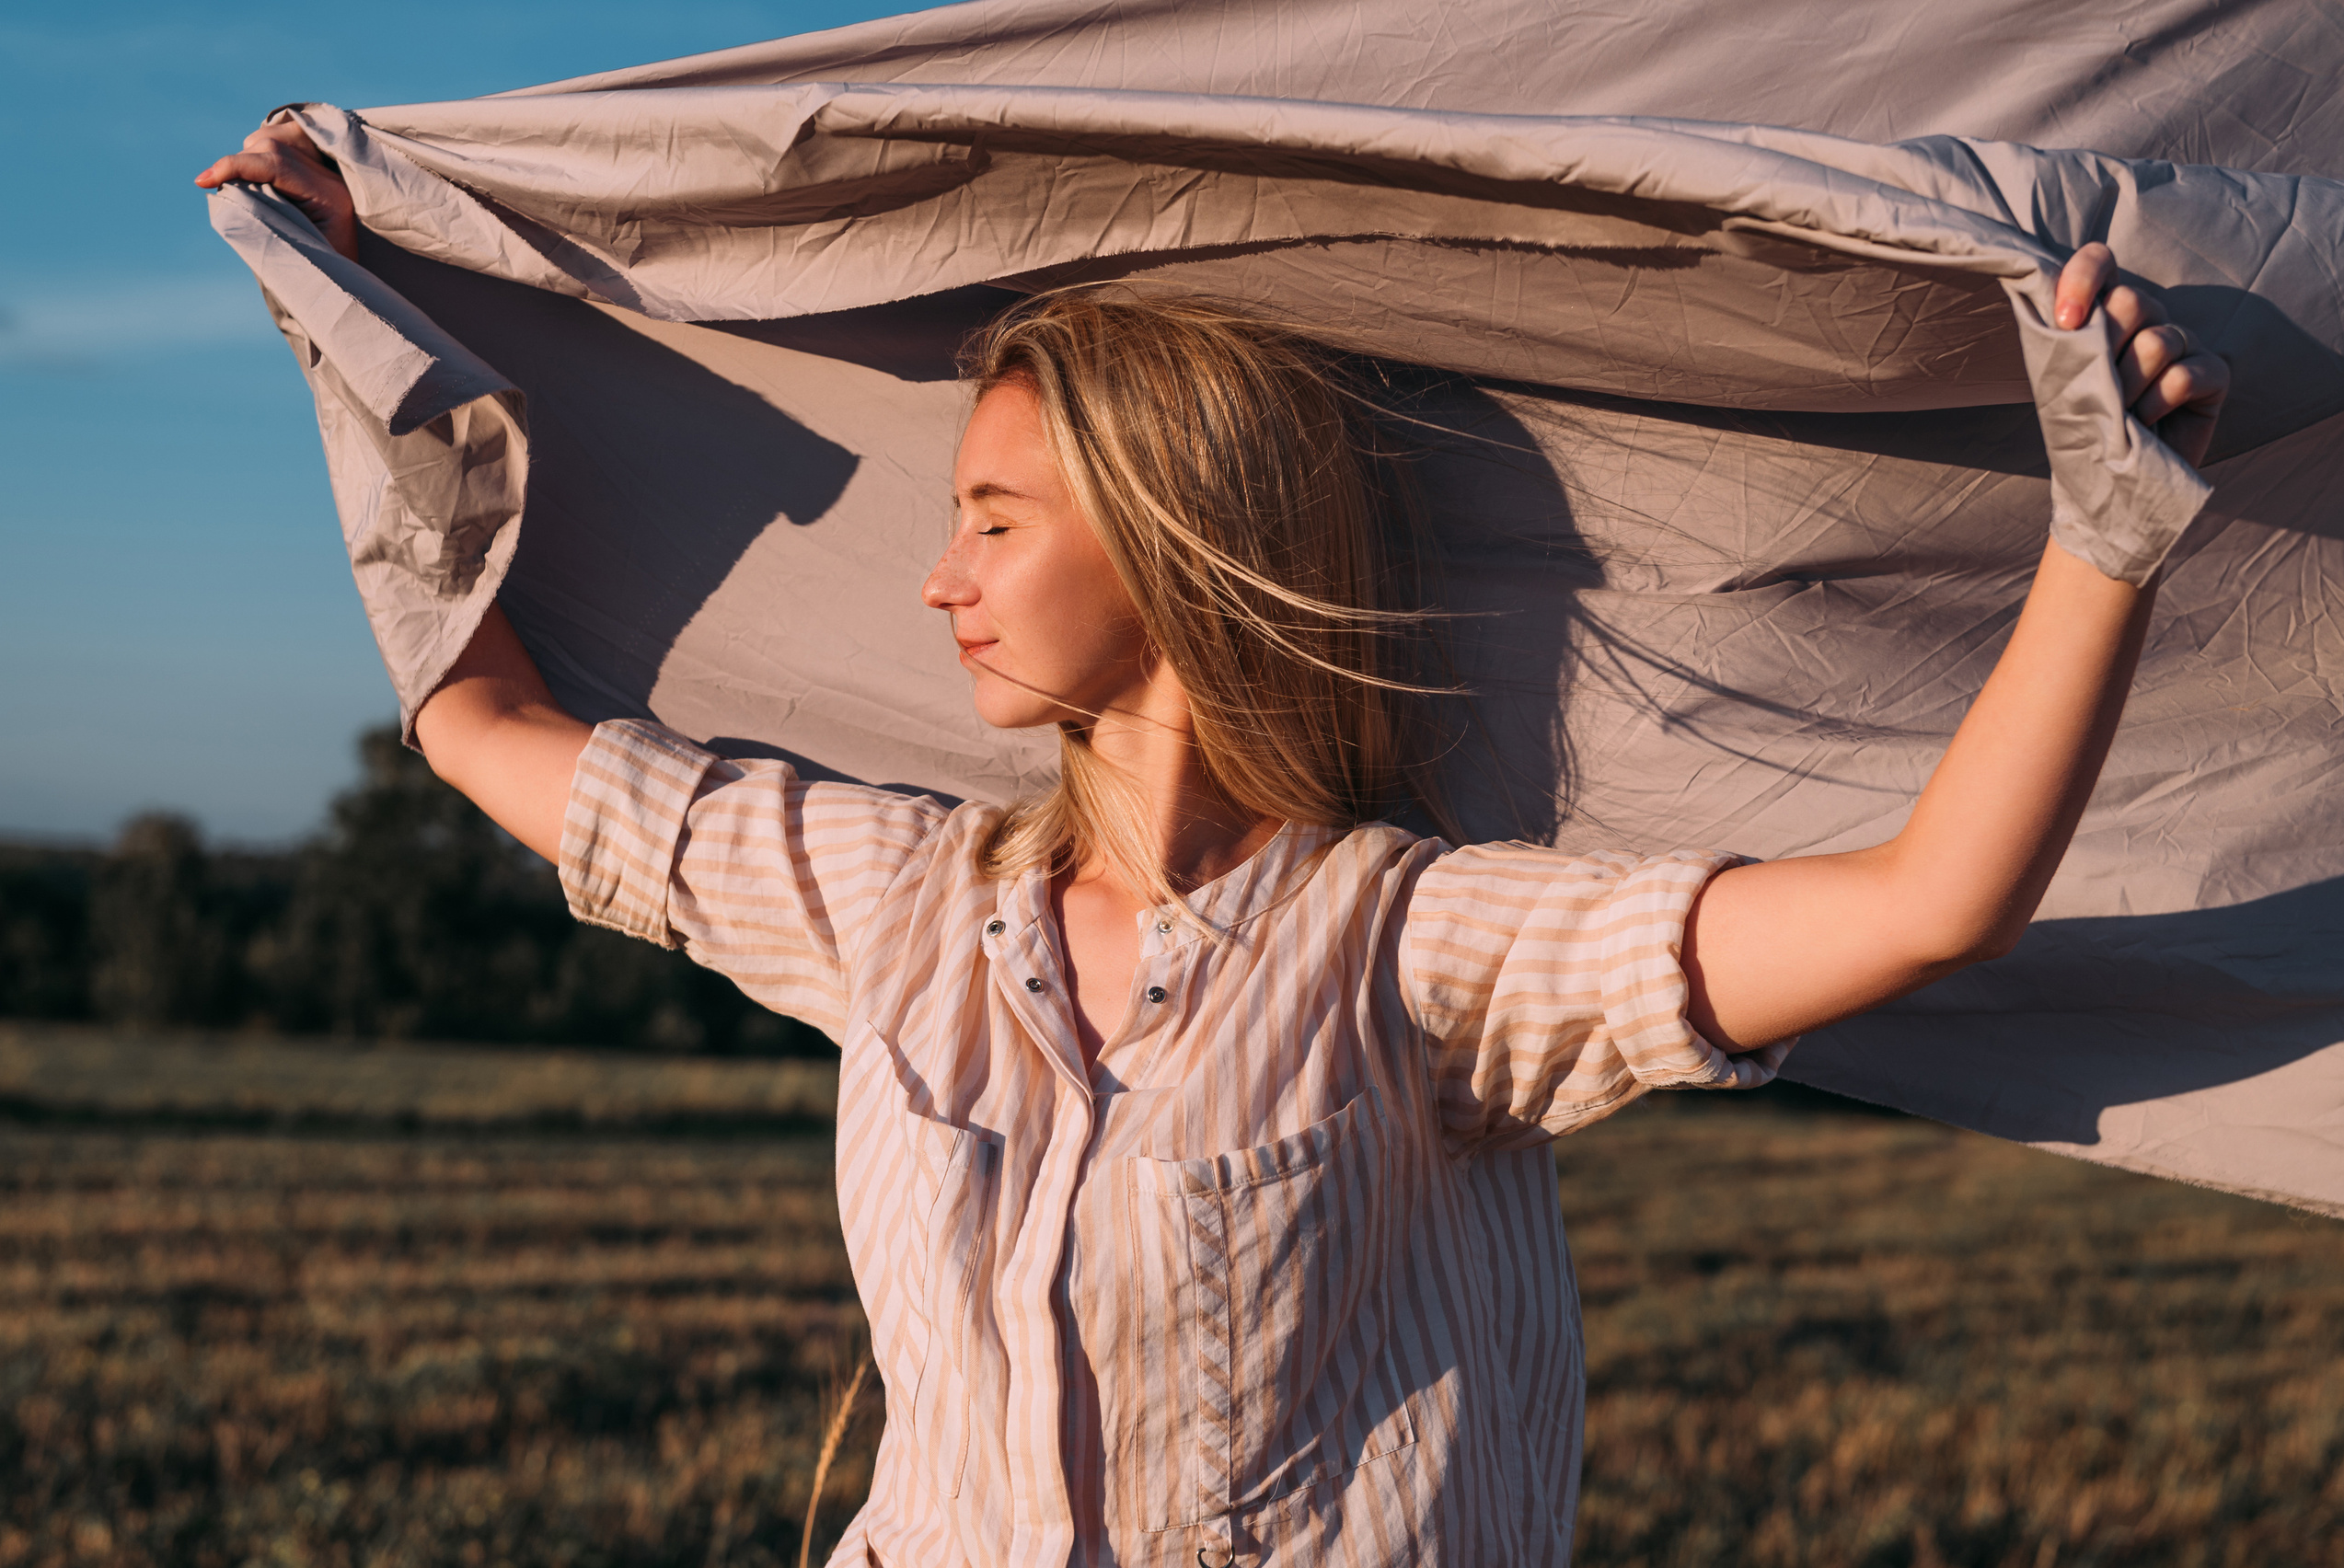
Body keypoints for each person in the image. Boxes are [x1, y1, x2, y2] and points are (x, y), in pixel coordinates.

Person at [201, 122, 2228, 1566]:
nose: (937, 581)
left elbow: (1922, 906)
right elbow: (483, 720)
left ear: (1178, 542)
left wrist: (2103, 542)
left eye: (992, 518)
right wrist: (344, 309)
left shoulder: (1411, 953)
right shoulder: (882, 894)